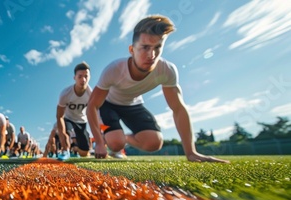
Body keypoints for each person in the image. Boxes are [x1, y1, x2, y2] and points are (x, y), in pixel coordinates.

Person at [87, 15, 228, 163]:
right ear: (132, 49)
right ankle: (112, 139)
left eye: (157, 48)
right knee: (116, 143)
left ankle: (124, 138)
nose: (151, 55)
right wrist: (100, 143)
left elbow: (178, 109)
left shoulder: (166, 70)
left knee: (154, 143)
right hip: (109, 105)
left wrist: (191, 152)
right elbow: (92, 105)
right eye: (145, 47)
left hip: (133, 104)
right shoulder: (114, 69)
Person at [56, 61, 93, 160]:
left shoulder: (91, 95)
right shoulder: (65, 93)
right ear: (74, 78)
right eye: (80, 76)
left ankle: (75, 148)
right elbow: (59, 116)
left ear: (90, 77)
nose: (83, 79)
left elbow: (95, 116)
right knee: (67, 134)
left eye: (86, 76)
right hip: (68, 118)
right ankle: (65, 150)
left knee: (84, 153)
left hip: (82, 121)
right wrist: (63, 136)